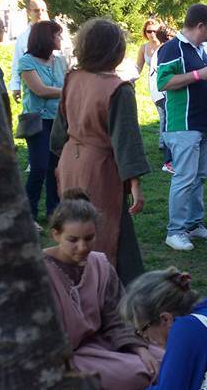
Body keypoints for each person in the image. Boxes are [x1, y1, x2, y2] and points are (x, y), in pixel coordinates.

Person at [51, 18, 149, 283]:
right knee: (108, 230)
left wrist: (67, 161)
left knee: (76, 227)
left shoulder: (72, 78)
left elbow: (58, 134)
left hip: (71, 162)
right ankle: (110, 291)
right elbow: (125, 140)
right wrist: (136, 185)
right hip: (99, 168)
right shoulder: (118, 89)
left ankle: (76, 281)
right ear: (115, 50)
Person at [43, 190, 162, 388]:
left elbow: (117, 316)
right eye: (72, 240)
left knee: (167, 358)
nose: (82, 247)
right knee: (138, 373)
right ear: (56, 234)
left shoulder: (100, 264)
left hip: (105, 341)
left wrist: (140, 349)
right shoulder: (39, 272)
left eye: (89, 238)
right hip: (67, 356)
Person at [156, 4, 207, 251]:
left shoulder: (199, 50)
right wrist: (199, 74)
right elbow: (163, 81)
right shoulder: (173, 48)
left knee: (199, 176)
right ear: (200, 25)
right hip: (183, 124)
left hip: (203, 123)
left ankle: (194, 224)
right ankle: (175, 231)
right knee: (184, 177)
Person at [19, 20, 66, 223]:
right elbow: (40, 90)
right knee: (38, 167)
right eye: (58, 35)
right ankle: (29, 215)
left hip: (58, 120)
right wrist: (69, 92)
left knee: (55, 168)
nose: (61, 39)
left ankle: (53, 212)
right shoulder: (27, 61)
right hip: (37, 121)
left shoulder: (61, 61)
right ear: (47, 38)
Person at [143, 24, 176, 174]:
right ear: (168, 38)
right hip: (162, 93)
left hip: (160, 93)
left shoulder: (161, 50)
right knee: (169, 125)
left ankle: (170, 158)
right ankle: (168, 161)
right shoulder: (164, 51)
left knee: (168, 124)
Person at [10, 0, 51, 102]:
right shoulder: (23, 38)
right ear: (29, 12)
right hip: (33, 91)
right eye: (36, 10)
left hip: (57, 87)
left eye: (43, 10)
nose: (40, 13)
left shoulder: (57, 34)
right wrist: (16, 86)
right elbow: (17, 62)